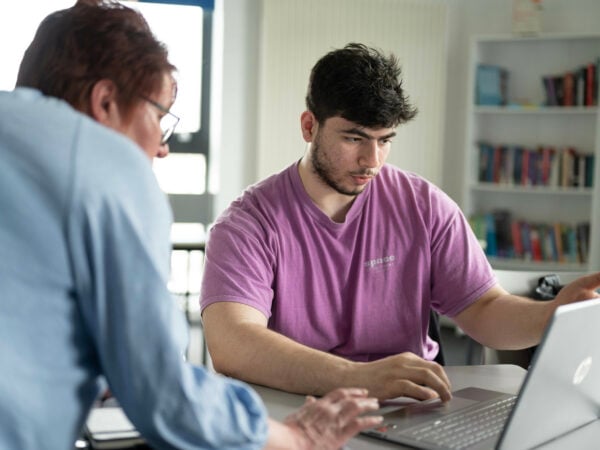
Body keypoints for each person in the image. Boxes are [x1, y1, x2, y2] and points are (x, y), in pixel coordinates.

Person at [0, 3, 383, 449]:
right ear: (105, 102)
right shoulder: (105, 163)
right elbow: (162, 393)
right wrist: (297, 436)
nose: (162, 149)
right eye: (160, 118)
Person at [200, 43, 600, 402]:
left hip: (410, 408)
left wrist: (552, 315)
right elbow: (233, 342)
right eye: (354, 139)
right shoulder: (247, 224)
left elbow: (484, 308)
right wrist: (356, 378)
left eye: (385, 139)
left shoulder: (425, 206)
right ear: (309, 126)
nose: (372, 160)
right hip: (298, 410)